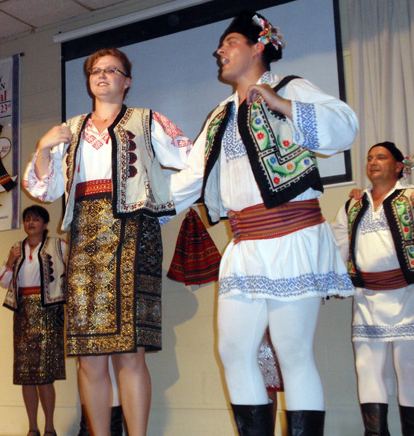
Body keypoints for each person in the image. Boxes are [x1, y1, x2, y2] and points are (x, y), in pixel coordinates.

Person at [186, 10, 359, 435]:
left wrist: (281, 104)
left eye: (229, 42)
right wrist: (137, 202)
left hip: (291, 234)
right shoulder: (219, 115)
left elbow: (345, 129)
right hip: (245, 245)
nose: (219, 51)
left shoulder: (291, 87)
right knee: (233, 350)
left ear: (258, 46)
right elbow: (187, 179)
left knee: (292, 352)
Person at [23, 47, 201, 436]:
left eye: (111, 70)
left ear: (127, 80)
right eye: (95, 71)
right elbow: (42, 187)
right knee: (88, 355)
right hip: (86, 237)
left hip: (134, 236)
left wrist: (161, 203)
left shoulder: (148, 121)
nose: (101, 76)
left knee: (128, 352)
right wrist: (42, 147)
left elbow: (194, 163)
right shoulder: (69, 130)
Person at [332, 142, 414, 436]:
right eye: (369, 158)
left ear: (398, 166)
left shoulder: (411, 197)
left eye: (381, 157)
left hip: (408, 295)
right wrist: (333, 279)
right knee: (366, 367)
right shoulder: (353, 204)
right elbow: (339, 242)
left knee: (409, 370)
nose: (373, 162)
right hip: (366, 297)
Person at [0, 205, 66, 436]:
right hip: (23, 314)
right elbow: (4, 282)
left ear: (45, 224)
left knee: (45, 375)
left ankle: (49, 427)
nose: (30, 223)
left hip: (48, 313)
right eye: (27, 220)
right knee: (26, 373)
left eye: (35, 219)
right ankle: (32, 428)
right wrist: (9, 260)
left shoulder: (58, 245)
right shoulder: (16, 249)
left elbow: (73, 271)